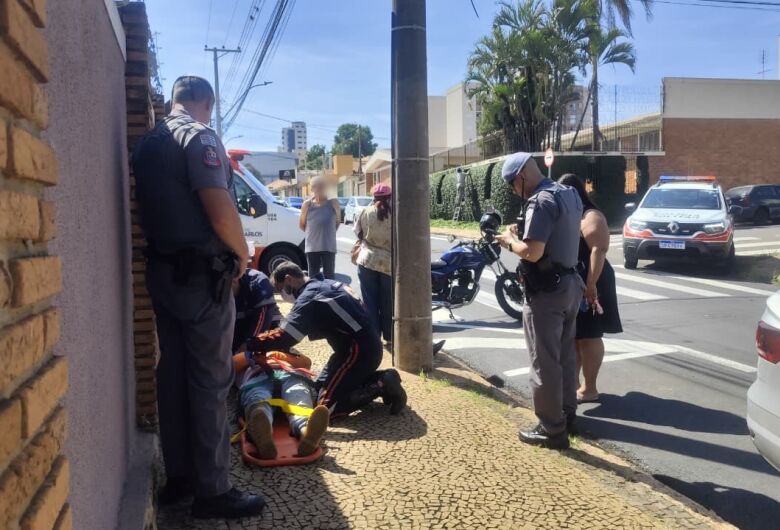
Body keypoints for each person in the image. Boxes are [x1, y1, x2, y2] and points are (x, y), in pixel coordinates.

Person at [132, 75, 264, 518]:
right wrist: (243, 255)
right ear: (206, 102)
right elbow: (219, 204)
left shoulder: (149, 143)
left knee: (171, 376)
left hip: (162, 275)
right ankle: (212, 491)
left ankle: (180, 478)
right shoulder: (199, 136)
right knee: (209, 380)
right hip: (201, 280)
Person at [495, 153, 583, 450]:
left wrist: (508, 240)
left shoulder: (540, 201)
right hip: (571, 282)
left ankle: (551, 428)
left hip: (547, 291)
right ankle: (568, 415)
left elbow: (532, 252)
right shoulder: (568, 193)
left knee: (544, 360)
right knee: (565, 355)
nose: (513, 191)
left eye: (511, 185)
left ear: (520, 177)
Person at [247, 261, 408, 416]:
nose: (282, 295)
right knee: (316, 390)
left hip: (359, 353)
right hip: (352, 350)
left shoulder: (311, 296)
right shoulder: (325, 284)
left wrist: (251, 343)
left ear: (289, 279)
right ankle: (371, 380)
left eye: (280, 289)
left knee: (325, 409)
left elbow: (286, 336)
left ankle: (381, 383)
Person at [558, 174, 623, 403]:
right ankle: (573, 383)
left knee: (590, 335)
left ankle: (590, 388)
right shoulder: (570, 215)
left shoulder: (590, 215)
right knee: (576, 336)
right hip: (576, 281)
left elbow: (598, 250)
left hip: (593, 280)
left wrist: (591, 285)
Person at [354, 183, 393, 345]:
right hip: (389, 263)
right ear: (390, 197)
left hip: (367, 260)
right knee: (388, 301)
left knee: (369, 301)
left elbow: (358, 233)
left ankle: (374, 337)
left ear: (373, 197)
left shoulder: (365, 211)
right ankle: (390, 337)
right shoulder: (397, 214)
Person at [299, 176, 340, 279]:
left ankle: (329, 295)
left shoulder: (333, 203)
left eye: (321, 186)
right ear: (312, 189)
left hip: (329, 247)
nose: (319, 189)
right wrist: (313, 233)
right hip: (312, 247)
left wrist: (327, 232)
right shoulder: (307, 205)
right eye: (315, 187)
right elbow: (301, 225)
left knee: (329, 278)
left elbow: (338, 222)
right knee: (313, 278)